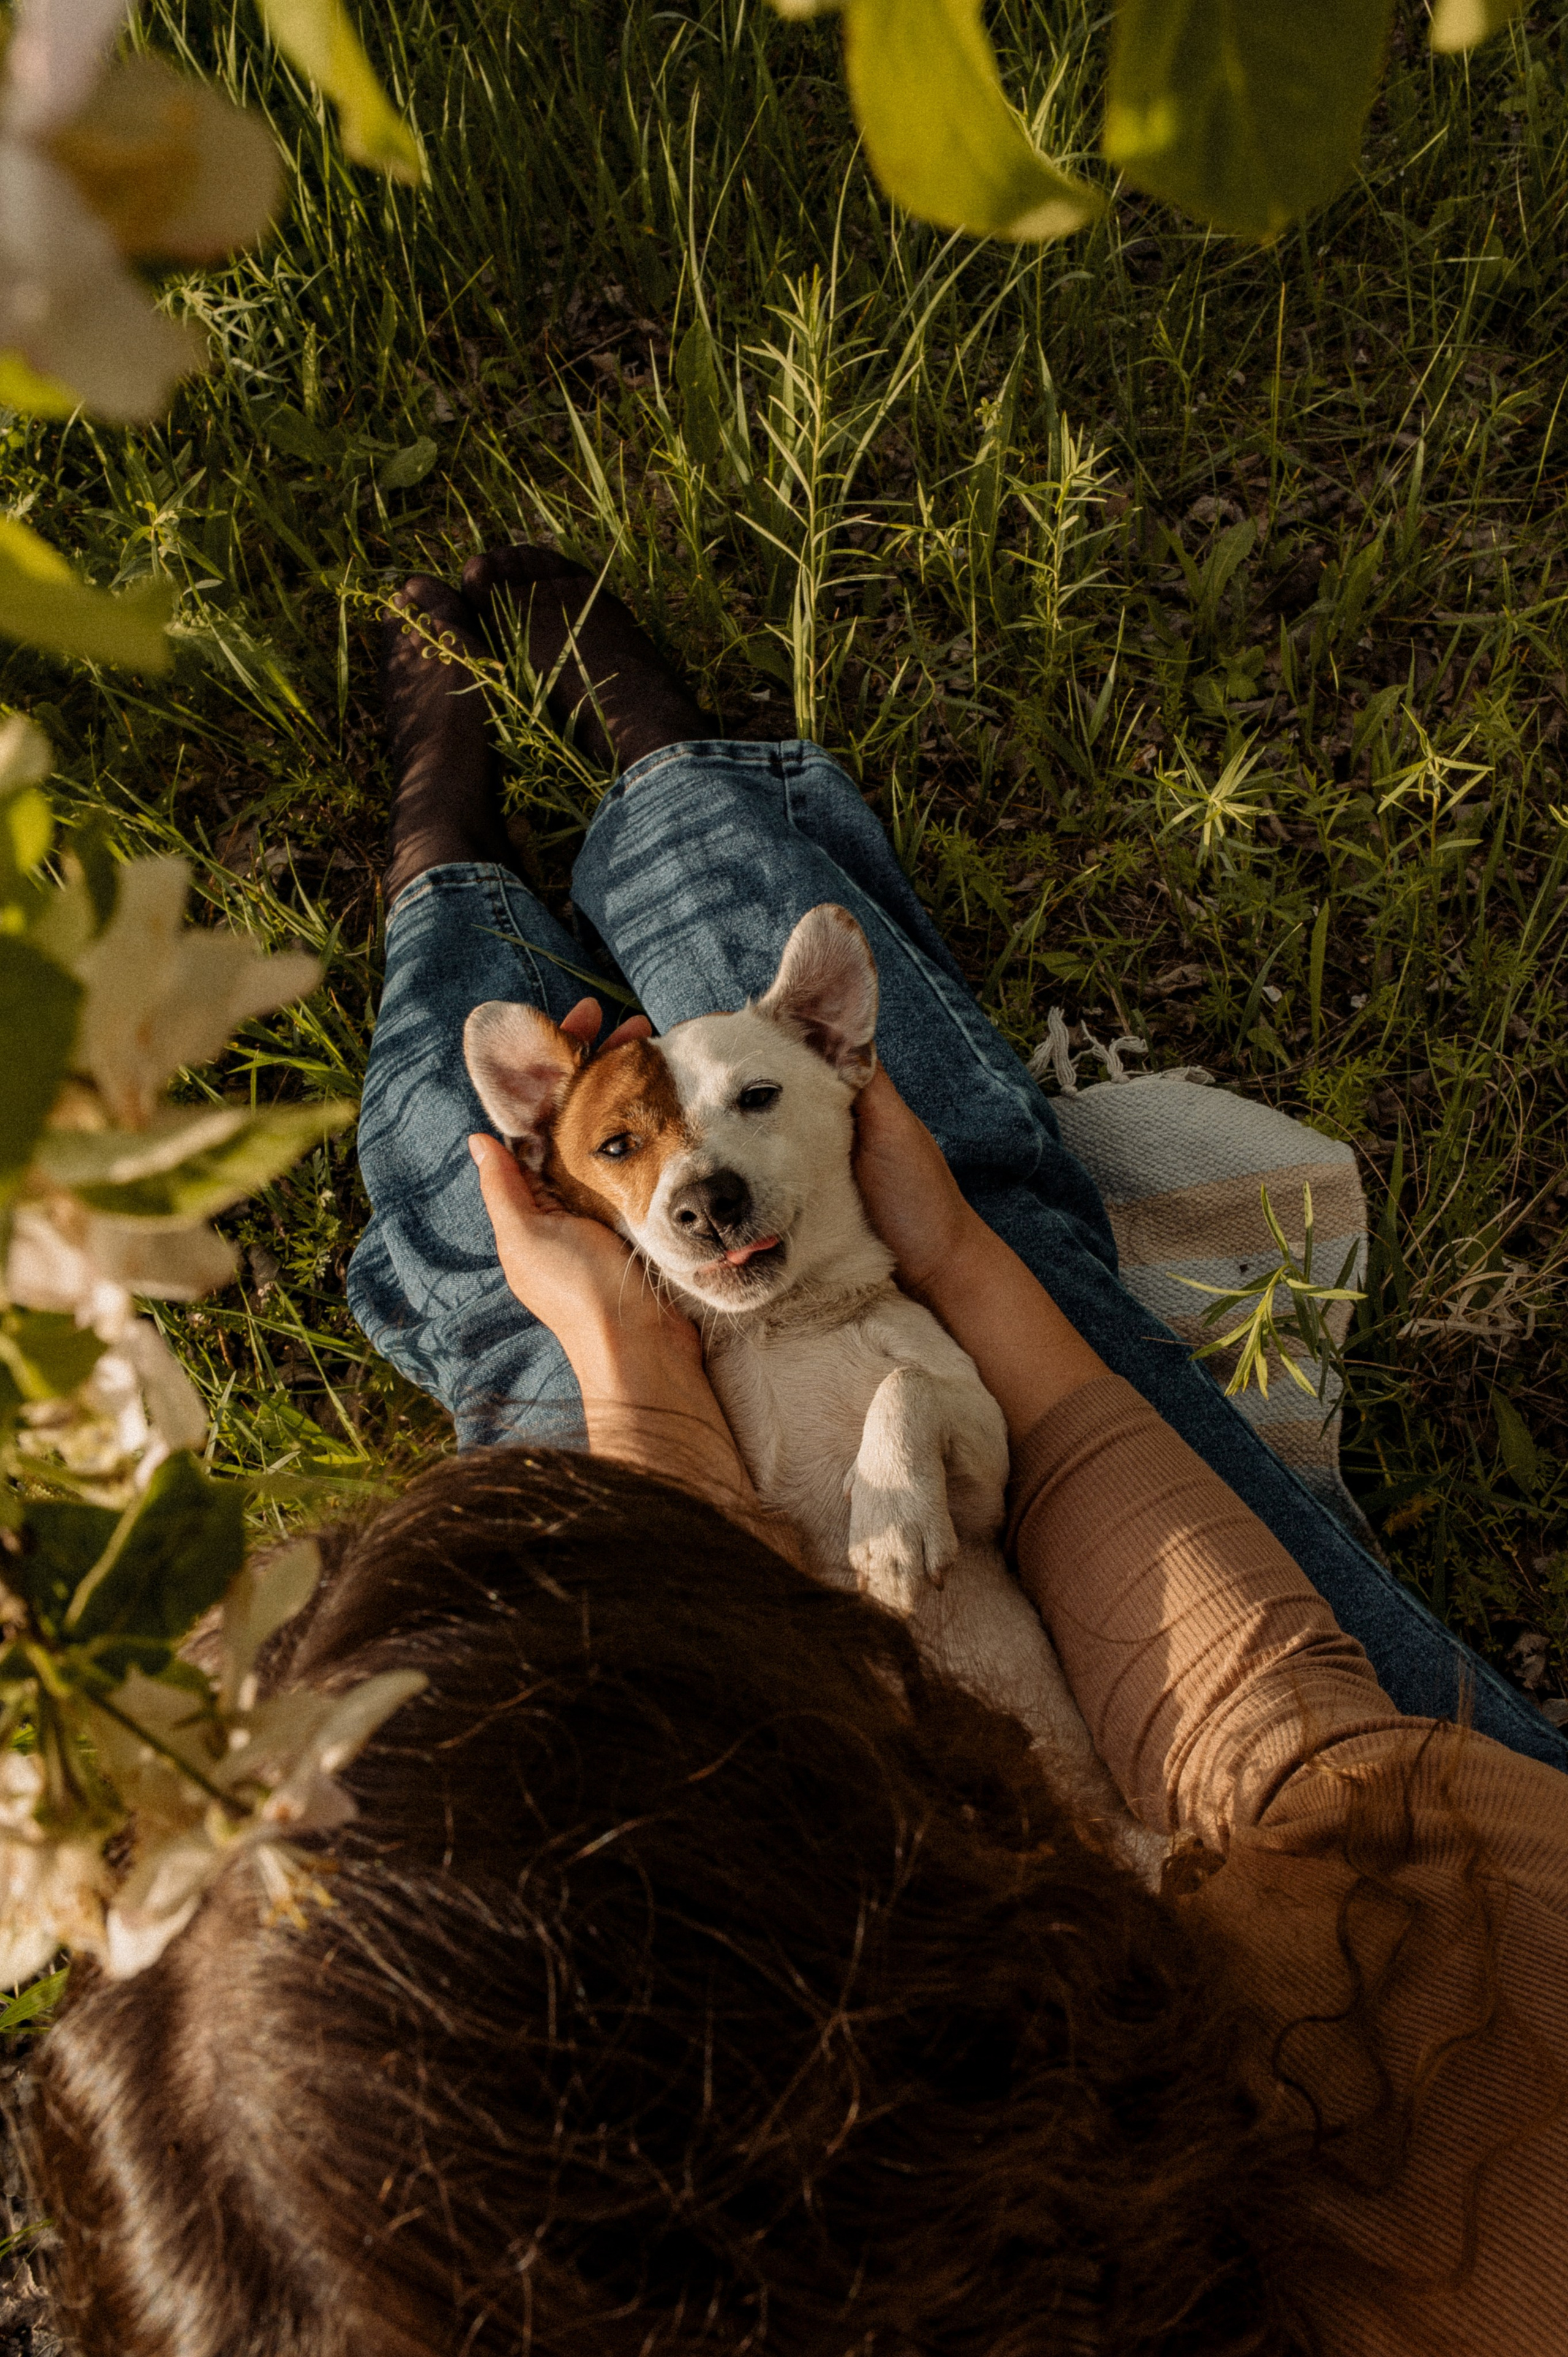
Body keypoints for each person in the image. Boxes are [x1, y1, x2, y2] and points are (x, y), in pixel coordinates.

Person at [27, 551, 1568, 2357]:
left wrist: (623, 1346)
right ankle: (670, 783)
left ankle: (446, 867)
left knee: (518, 1277)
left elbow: (669, 1690)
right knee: (969, 1201)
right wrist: (963, 1264)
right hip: (1276, 1903)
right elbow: (1289, 1746)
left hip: (918, 1769)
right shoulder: (1470, 2028)